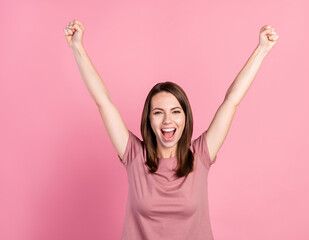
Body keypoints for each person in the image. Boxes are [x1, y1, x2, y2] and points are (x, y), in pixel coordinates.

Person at [64, 19, 279, 240]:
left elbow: (231, 100)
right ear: (149, 119)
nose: (168, 120)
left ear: (186, 118)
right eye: (158, 112)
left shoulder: (201, 156)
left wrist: (261, 49)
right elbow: (103, 101)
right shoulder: (134, 156)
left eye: (176, 111)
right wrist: (77, 47)